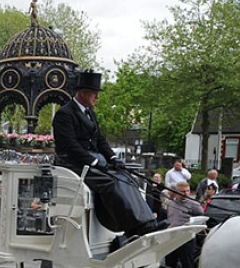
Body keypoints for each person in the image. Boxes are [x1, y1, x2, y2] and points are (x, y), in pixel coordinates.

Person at [53, 70, 166, 237]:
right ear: (83, 93)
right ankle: (130, 227)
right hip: (71, 163)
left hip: (89, 161)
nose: (97, 97)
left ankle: (146, 221)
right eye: (94, 93)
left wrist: (113, 158)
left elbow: (100, 139)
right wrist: (93, 161)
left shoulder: (90, 112)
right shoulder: (64, 114)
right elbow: (69, 145)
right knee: (109, 182)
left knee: (127, 177)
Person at [165, 181, 204, 268]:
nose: (186, 193)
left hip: (186, 237)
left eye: (188, 191)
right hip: (171, 236)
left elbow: (201, 217)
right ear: (176, 192)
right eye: (183, 191)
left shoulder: (194, 204)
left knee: (187, 265)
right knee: (170, 264)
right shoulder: (170, 203)